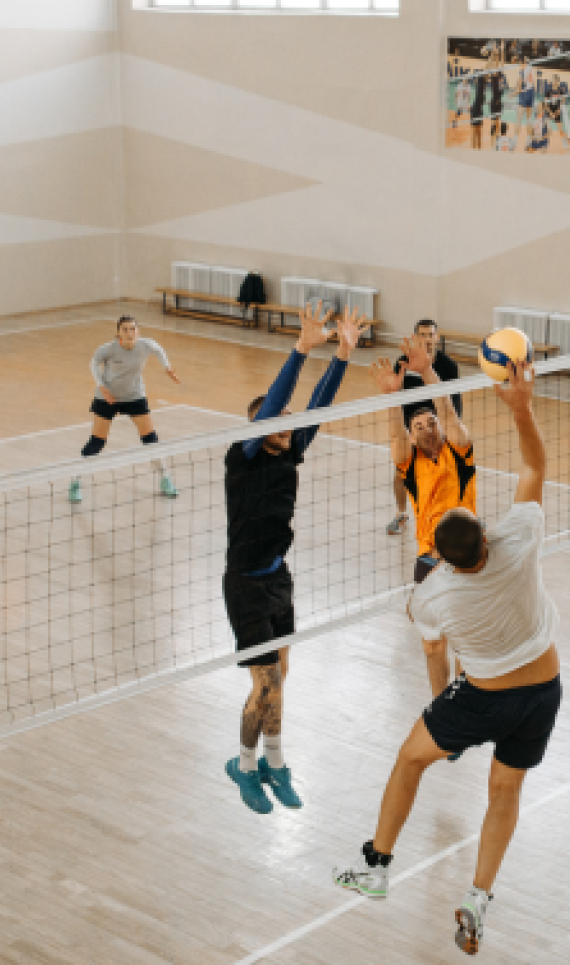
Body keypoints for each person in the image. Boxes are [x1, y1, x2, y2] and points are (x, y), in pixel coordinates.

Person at [332, 359, 562, 958]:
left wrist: (427, 581)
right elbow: (535, 465)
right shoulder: (519, 540)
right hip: (544, 691)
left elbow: (422, 620)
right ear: (485, 532)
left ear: (441, 554)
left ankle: (377, 866)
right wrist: (521, 407)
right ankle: (479, 896)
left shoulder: (436, 594)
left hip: (483, 698)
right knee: (504, 793)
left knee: (411, 758)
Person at [224, 303, 369, 815]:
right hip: (243, 585)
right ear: (259, 428)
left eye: (288, 422)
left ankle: (265, 763)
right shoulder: (240, 460)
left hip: (277, 580)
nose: (287, 424)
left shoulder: (290, 449)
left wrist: (343, 355)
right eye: (278, 420)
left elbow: (320, 406)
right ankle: (252, 765)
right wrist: (302, 348)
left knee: (277, 681)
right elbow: (279, 402)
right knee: (264, 684)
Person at [373, 337, 475, 588]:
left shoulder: (459, 451)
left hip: (465, 549)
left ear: (441, 428)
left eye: (431, 423)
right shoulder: (410, 464)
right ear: (412, 437)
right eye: (418, 427)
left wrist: (427, 371)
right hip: (429, 555)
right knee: (428, 623)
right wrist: (391, 397)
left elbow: (447, 410)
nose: (426, 429)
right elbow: (396, 434)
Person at [70, 316, 180, 503]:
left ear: (138, 331)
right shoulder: (109, 349)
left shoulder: (145, 345)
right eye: (125, 329)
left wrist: (167, 367)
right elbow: (93, 363)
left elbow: (159, 350)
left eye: (132, 329)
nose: (129, 333)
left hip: (134, 395)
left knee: (151, 440)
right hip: (107, 397)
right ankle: (75, 482)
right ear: (118, 332)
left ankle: (165, 478)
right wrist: (101, 386)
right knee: (96, 442)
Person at [385, 319, 463, 536]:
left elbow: (453, 402)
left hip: (438, 431)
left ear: (436, 337)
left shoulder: (448, 366)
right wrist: (400, 430)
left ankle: (459, 514)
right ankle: (401, 515)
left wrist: (451, 431)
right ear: (416, 337)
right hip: (411, 430)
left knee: (449, 474)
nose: (427, 339)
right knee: (401, 472)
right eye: (423, 335)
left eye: (431, 335)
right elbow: (396, 396)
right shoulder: (403, 362)